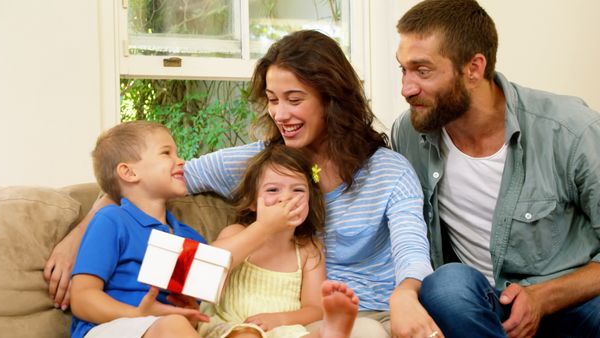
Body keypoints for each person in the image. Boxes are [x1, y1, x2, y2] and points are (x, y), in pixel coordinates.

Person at [46, 30, 438, 337]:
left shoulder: (388, 171)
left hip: (368, 311)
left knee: (365, 330)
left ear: (330, 99)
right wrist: (75, 239)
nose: (280, 114)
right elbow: (143, 181)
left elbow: (411, 249)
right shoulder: (261, 162)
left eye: (294, 99)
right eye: (272, 99)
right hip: (285, 323)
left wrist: (406, 294)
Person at [391, 1, 600, 337]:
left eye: (423, 70)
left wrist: (542, 297)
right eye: (403, 70)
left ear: (474, 67)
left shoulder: (570, 130)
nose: (406, 88)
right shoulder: (410, 133)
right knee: (444, 285)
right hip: (481, 309)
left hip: (569, 303)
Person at [198, 143, 358, 338]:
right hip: (232, 324)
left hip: (283, 330)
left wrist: (280, 319)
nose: (286, 198)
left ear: (310, 199)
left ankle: (329, 333)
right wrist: (265, 227)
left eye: (298, 190)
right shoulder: (236, 232)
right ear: (251, 202)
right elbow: (210, 263)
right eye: (273, 190)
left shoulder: (309, 250)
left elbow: (314, 308)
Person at [69, 121, 210, 338]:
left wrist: (189, 308)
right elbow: (82, 297)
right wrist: (137, 315)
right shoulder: (112, 220)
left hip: (163, 328)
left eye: (177, 153)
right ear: (129, 172)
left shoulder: (189, 238)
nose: (180, 161)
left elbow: (184, 314)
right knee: (172, 326)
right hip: (106, 328)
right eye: (166, 153)